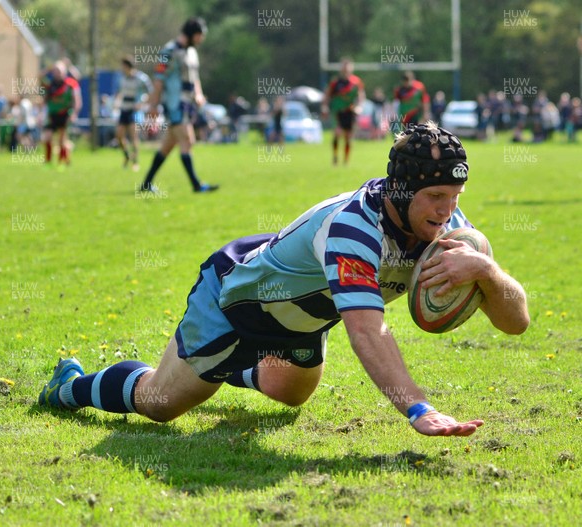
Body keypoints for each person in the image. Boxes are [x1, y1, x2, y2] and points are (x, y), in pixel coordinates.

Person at [39, 122, 530, 437]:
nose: (447, 212)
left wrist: (488, 271)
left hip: (300, 319)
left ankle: (230, 370)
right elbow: (367, 330)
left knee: (291, 395)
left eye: (455, 195)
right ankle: (71, 386)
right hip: (237, 302)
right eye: (437, 196)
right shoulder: (353, 229)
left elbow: (517, 323)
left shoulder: (448, 226)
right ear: (401, 190)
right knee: (160, 404)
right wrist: (418, 408)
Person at [139, 17, 218, 193]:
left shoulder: (191, 52)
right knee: (188, 140)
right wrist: (153, 107)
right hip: (175, 105)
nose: (201, 39)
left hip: (188, 106)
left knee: (168, 146)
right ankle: (197, 186)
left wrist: (198, 94)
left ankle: (146, 184)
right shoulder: (169, 51)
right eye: (200, 35)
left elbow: (195, 78)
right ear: (192, 34)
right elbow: (158, 81)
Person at [321, 58, 365, 165]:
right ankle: (335, 157)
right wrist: (325, 107)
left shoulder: (356, 82)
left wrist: (359, 106)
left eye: (348, 66)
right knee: (337, 133)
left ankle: (346, 161)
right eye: (344, 66)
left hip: (350, 112)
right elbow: (327, 95)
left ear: (351, 68)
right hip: (338, 112)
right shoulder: (335, 83)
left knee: (348, 137)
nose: (346, 69)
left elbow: (361, 95)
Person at [40, 61, 82, 167]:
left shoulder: (70, 84)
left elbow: (77, 100)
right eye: (55, 71)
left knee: (62, 140)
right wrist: (49, 68)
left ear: (64, 72)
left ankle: (62, 162)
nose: (56, 73)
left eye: (59, 71)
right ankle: (48, 161)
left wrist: (74, 114)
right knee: (47, 137)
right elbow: (39, 77)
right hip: (52, 114)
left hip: (64, 114)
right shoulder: (50, 84)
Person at [115, 56, 153, 171]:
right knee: (119, 136)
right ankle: (127, 156)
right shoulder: (122, 79)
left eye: (123, 66)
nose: (122, 68)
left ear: (128, 66)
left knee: (133, 136)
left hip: (134, 111)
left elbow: (150, 92)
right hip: (124, 109)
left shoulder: (141, 78)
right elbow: (119, 93)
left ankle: (135, 162)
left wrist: (141, 103)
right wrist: (116, 102)